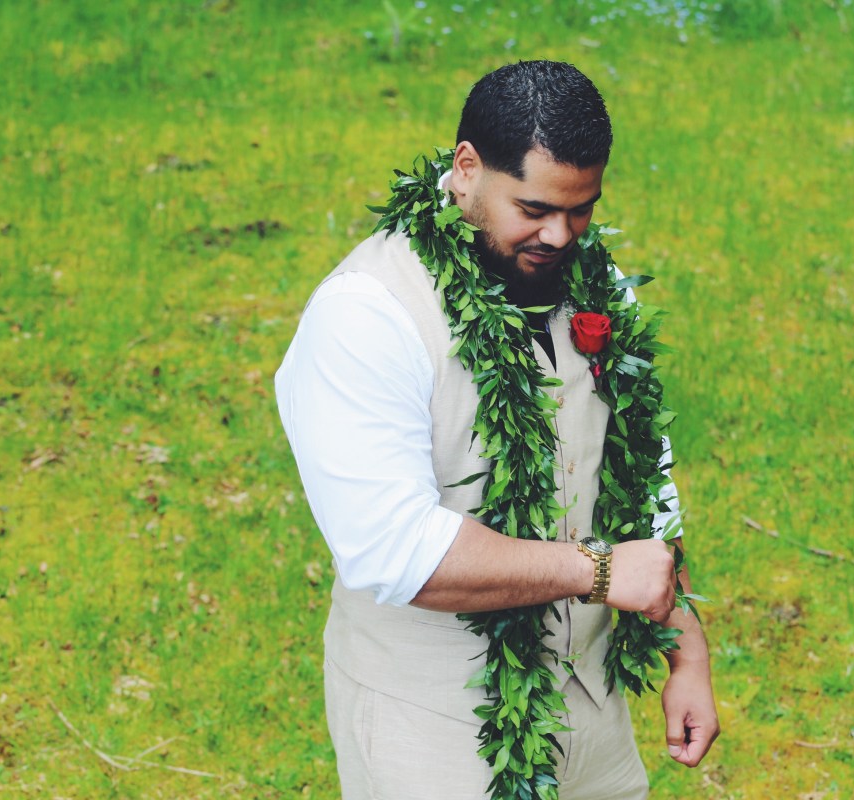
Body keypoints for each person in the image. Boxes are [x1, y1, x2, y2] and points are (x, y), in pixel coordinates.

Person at [276, 60, 718, 800]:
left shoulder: (591, 281)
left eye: (582, 210)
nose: (561, 234)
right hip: (435, 734)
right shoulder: (364, 316)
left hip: (593, 717)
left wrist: (685, 645)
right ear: (468, 168)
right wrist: (600, 573)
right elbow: (397, 550)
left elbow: (641, 472)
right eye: (536, 208)